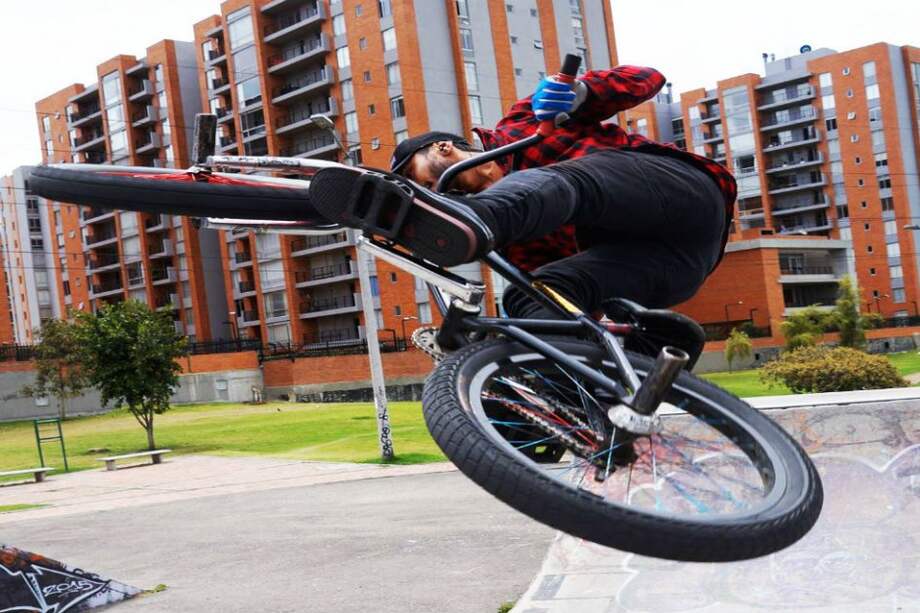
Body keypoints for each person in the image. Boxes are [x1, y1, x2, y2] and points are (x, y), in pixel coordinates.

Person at [308, 65, 737, 324]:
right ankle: (560, 399)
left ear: (443, 147)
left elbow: (647, 79)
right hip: (673, 265)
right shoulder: (518, 237)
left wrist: (583, 93)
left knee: (568, 182)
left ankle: (487, 219)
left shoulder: (526, 123)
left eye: (439, 182)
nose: (444, 192)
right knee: (530, 295)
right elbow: (548, 287)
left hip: (682, 198)